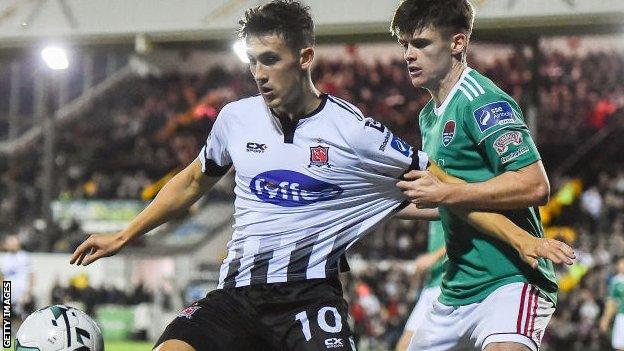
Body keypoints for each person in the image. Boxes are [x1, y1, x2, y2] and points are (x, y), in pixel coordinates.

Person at [70, 2, 573, 351]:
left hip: (311, 299)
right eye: (253, 62)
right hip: (237, 297)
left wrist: (521, 240)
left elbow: (443, 188)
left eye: (271, 59)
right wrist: (126, 233)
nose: (260, 73)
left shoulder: (355, 132)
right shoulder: (235, 119)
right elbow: (191, 180)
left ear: (305, 58)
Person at [392, 1, 571, 350]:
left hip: (511, 278)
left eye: (421, 43)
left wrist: (444, 194)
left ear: (458, 43)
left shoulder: (482, 100)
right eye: (405, 45)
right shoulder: (429, 115)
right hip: (456, 288)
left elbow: (534, 185)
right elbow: (446, 203)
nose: (409, 55)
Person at [395, 221, 445, 351]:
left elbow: (466, 237)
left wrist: (433, 257)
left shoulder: (450, 202)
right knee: (404, 346)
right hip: (430, 285)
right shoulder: (432, 210)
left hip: (446, 285)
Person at [0, 234, 35, 323]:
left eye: (13, 242)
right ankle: (5, 336)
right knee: (5, 320)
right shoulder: (4, 258)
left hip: (22, 293)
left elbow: (31, 275)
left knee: (23, 320)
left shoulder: (25, 256)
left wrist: (28, 293)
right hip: (7, 292)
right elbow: (2, 276)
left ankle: (21, 337)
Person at [600, 257, 624, 351]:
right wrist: (605, 319)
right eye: (621, 263)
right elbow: (612, 302)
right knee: (620, 345)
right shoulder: (616, 281)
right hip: (622, 316)